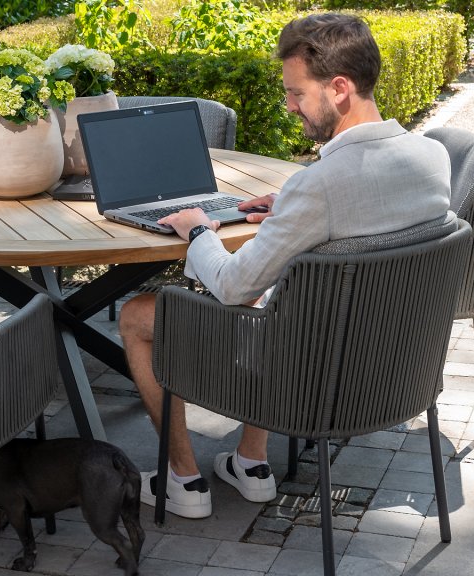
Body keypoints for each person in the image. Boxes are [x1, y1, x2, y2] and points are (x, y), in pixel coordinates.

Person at [120, 12, 452, 519]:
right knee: (277, 289)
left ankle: (182, 481)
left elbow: (232, 286)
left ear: (339, 88)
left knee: (138, 314)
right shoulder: (431, 157)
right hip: (394, 367)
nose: (290, 105)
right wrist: (290, 212)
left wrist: (198, 229)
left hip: (309, 375)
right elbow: (364, 211)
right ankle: (251, 462)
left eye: (297, 93)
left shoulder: (318, 186)